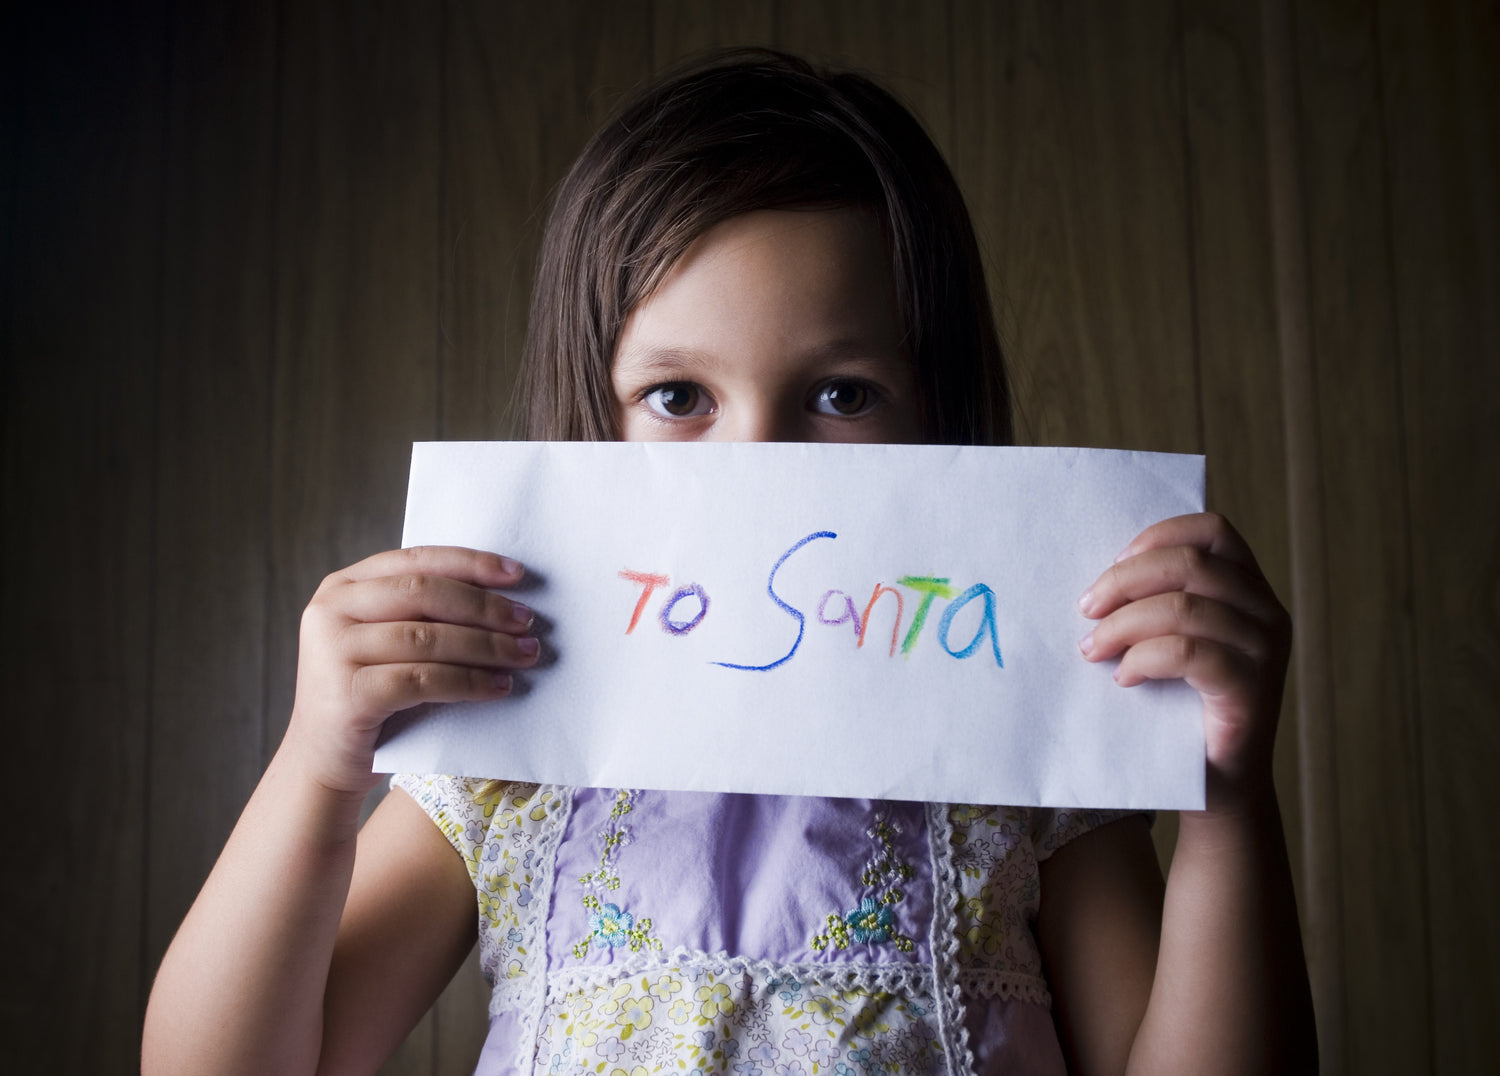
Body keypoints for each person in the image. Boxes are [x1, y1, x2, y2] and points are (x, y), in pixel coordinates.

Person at [142, 49, 1316, 1075]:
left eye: (841, 393)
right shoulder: (511, 750)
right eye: (678, 395)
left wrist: (1227, 799)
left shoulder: (1023, 750)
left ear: (937, 416)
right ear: (596, 423)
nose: (757, 461)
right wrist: (316, 771)